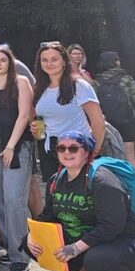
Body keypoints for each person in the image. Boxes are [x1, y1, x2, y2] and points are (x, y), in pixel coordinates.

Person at [26, 132, 135, 271]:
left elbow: (112, 226)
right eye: (61, 148)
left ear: (86, 153)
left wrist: (74, 248)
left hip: (130, 241)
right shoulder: (56, 180)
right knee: (31, 244)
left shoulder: (102, 181)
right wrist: (31, 236)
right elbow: (48, 216)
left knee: (96, 259)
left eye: (73, 148)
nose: (67, 152)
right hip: (92, 240)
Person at [0, 46, 34, 271]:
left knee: (14, 198)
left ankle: (20, 254)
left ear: (10, 62)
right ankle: (10, 246)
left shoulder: (20, 82)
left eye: (3, 60)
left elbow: (24, 115)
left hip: (16, 145)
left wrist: (10, 146)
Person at [31, 41, 105, 180]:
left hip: (76, 147)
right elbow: (36, 119)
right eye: (44, 60)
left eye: (54, 59)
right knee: (54, 190)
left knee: (78, 189)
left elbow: (98, 121)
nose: (49, 63)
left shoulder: (79, 86)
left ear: (64, 61)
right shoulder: (38, 89)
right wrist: (35, 129)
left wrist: (94, 150)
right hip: (49, 148)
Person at [94, 52, 135, 173]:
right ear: (116, 62)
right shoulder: (126, 78)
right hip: (127, 119)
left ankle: (114, 179)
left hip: (107, 121)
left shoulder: (97, 81)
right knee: (130, 153)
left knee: (110, 151)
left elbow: (94, 102)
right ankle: (133, 179)